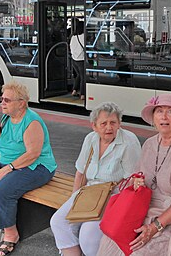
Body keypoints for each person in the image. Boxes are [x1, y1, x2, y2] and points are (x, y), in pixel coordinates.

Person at [97, 94, 171, 256]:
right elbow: (140, 178)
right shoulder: (150, 144)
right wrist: (138, 183)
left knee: (140, 252)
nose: (164, 116)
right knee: (110, 243)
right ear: (153, 117)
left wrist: (155, 227)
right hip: (148, 209)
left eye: (170, 111)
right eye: (159, 111)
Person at [0, 82, 57, 256]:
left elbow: (33, 154)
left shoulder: (31, 122)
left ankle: (11, 234)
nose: (2, 102)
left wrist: (8, 168)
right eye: (2, 99)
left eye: (7, 100)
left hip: (35, 167)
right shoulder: (6, 118)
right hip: (7, 165)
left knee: (0, 193)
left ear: (21, 103)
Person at [50, 102, 142, 256]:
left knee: (87, 237)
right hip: (88, 193)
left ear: (119, 123)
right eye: (103, 123)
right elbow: (81, 173)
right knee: (58, 222)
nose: (109, 127)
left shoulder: (128, 142)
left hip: (113, 196)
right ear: (94, 126)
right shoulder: (91, 139)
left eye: (113, 122)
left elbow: (133, 179)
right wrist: (74, 199)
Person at [70, 18, 86, 100]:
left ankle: (74, 90)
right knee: (83, 77)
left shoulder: (73, 37)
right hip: (81, 60)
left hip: (74, 60)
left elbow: (71, 48)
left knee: (79, 75)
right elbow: (85, 48)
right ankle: (82, 94)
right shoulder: (83, 37)